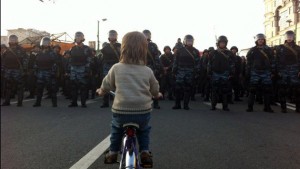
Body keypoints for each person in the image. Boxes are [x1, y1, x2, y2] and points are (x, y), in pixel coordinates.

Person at [97, 31, 161, 167]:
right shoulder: (147, 70)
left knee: (116, 129)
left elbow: (106, 85)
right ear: (144, 49)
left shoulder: (116, 68)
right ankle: (144, 152)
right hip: (142, 111)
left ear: (123, 49)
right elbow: (155, 89)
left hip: (121, 111)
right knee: (144, 131)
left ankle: (113, 152)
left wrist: (101, 91)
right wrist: (157, 95)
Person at [246, 33, 275, 113]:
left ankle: (267, 107)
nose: (261, 41)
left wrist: (272, 71)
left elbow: (272, 61)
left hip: (266, 72)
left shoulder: (268, 50)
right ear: (256, 40)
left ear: (264, 40)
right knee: (252, 90)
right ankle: (250, 107)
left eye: (262, 39)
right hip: (255, 71)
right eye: (259, 39)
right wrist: (248, 71)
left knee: (267, 90)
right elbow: (248, 62)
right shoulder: (252, 50)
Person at [172, 34, 200, 110]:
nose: (189, 42)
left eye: (191, 41)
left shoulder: (195, 51)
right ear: (185, 41)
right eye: (188, 41)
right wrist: (174, 71)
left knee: (188, 88)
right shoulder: (180, 50)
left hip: (190, 72)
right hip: (180, 71)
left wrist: (196, 72)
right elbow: (176, 61)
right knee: (178, 88)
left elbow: (198, 63)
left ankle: (186, 105)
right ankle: (177, 104)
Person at [275, 30, 300, 113]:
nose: (289, 38)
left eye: (291, 36)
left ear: (293, 37)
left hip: (294, 70)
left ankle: (298, 107)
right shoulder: (280, 48)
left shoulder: (298, 48)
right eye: (288, 36)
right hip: (283, 70)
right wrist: (278, 71)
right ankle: (283, 107)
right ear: (285, 37)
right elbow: (277, 60)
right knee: (283, 89)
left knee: (296, 90)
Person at [208, 36, 235, 111]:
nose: (222, 44)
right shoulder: (213, 53)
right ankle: (213, 105)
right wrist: (209, 72)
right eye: (221, 43)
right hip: (215, 73)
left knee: (225, 91)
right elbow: (209, 63)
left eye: (224, 43)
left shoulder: (229, 53)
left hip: (225, 73)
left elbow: (232, 64)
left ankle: (225, 106)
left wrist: (232, 73)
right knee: (214, 90)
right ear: (218, 43)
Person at [1, 35, 27, 106]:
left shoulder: (21, 50)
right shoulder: (7, 50)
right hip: (8, 71)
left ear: (16, 40)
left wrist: (24, 70)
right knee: (8, 87)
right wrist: (3, 69)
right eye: (11, 39)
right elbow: (3, 60)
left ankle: (19, 102)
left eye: (14, 39)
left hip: (17, 71)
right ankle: (7, 101)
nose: (12, 41)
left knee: (19, 87)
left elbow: (25, 60)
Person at [67, 32, 92, 108]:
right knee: (73, 87)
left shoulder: (87, 48)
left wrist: (87, 70)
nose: (78, 38)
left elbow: (89, 60)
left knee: (83, 87)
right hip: (74, 69)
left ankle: (83, 103)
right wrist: (69, 70)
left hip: (83, 69)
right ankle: (74, 102)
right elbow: (70, 60)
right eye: (76, 37)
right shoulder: (72, 48)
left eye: (79, 37)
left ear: (82, 38)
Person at [33, 37, 58, 107]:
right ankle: (38, 103)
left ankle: (54, 103)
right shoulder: (39, 53)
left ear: (49, 44)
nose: (45, 44)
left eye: (47, 43)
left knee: (52, 88)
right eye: (44, 42)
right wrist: (36, 71)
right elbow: (36, 63)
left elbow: (55, 64)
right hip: (40, 72)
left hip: (49, 72)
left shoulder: (52, 53)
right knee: (39, 88)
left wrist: (53, 72)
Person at [100, 30, 121, 108]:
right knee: (106, 84)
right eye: (111, 35)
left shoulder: (120, 46)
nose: (112, 36)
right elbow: (102, 58)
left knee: (117, 85)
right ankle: (105, 102)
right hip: (107, 66)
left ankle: (117, 102)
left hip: (117, 66)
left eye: (114, 35)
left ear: (116, 36)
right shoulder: (106, 46)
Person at [143, 29, 163, 109]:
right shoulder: (138, 44)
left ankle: (156, 103)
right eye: (144, 34)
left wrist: (158, 68)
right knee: (143, 86)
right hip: (142, 67)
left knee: (154, 85)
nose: (146, 36)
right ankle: (144, 103)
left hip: (152, 68)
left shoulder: (153, 45)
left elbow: (156, 57)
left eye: (147, 34)